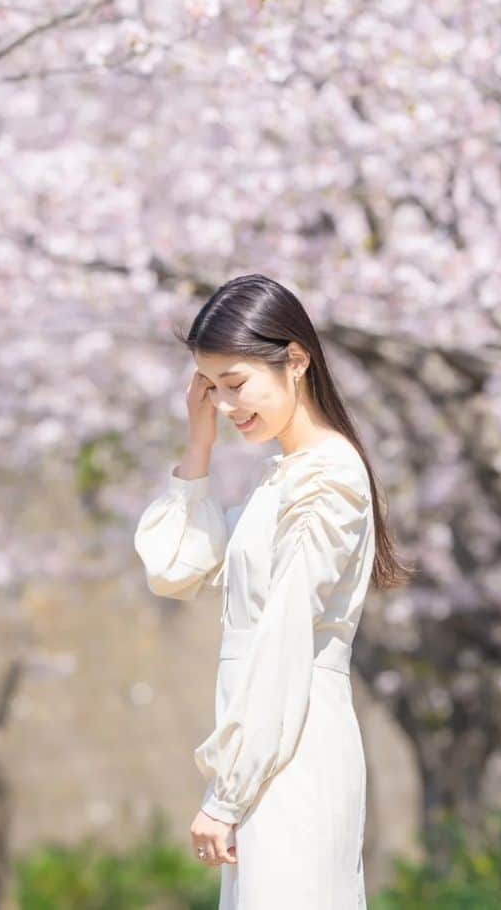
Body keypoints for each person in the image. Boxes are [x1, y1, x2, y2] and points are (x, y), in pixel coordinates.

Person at [133, 273, 412, 909]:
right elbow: (175, 568)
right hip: (268, 751)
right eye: (211, 388)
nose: (227, 405)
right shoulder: (281, 480)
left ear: (296, 359)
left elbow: (285, 643)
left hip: (294, 750)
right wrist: (197, 444)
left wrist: (225, 795)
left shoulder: (328, 480)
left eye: (236, 385)